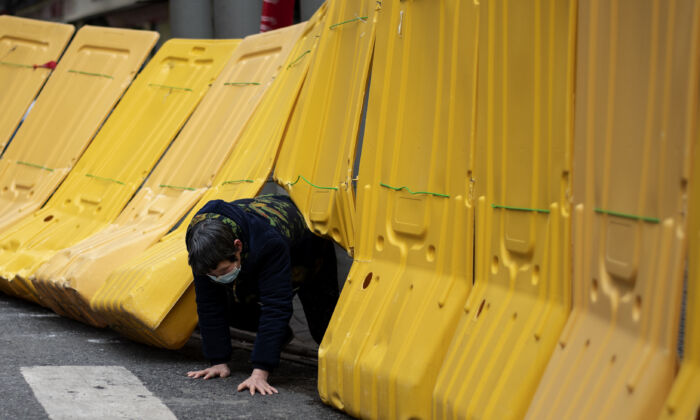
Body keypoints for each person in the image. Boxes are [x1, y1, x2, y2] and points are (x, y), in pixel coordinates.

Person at [184, 194, 339, 395]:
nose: (218, 278)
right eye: (211, 275)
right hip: (252, 246)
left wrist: (260, 372)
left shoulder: (268, 242)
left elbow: (276, 306)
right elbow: (208, 303)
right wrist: (217, 361)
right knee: (231, 299)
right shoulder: (200, 244)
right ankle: (279, 337)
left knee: (323, 327)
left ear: (237, 247)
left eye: (223, 272)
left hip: (307, 247)